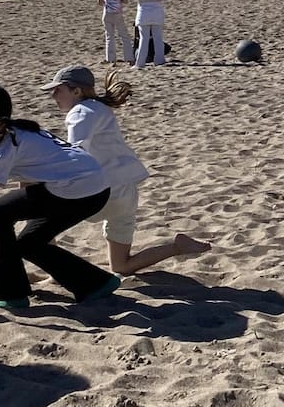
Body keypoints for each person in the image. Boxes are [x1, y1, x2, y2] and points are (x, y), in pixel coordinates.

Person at [0, 84, 119, 308]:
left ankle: (11, 296)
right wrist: (0, 242)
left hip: (77, 189)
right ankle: (96, 284)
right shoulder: (25, 130)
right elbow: (28, 186)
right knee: (27, 243)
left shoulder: (4, 140)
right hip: (98, 187)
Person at [43, 65, 210, 275]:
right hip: (126, 193)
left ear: (76, 91)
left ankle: (56, 272)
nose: (53, 95)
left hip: (102, 193)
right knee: (121, 266)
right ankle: (176, 246)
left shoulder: (80, 111)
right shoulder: (100, 107)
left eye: (58, 90)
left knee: (40, 213)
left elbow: (75, 152)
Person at [131, 0, 168, 69]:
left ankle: (140, 63)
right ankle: (159, 61)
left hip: (143, 12)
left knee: (143, 39)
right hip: (156, 11)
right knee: (158, 38)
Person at [99, 0, 134, 65]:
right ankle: (129, 57)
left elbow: (99, 2)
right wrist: (118, 1)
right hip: (117, 14)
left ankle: (111, 59)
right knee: (124, 36)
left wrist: (108, 2)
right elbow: (126, 1)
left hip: (106, 13)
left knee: (109, 37)